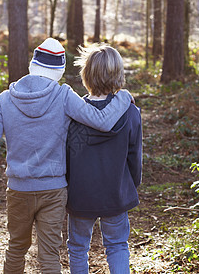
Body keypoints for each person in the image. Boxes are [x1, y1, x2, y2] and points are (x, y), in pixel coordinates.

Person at [0, 38, 133, 274]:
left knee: (16, 248)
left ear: (33, 65)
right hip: (54, 191)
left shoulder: (5, 99)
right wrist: (123, 97)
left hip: (18, 191)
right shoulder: (63, 95)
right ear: (59, 70)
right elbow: (102, 121)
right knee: (49, 256)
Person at [66, 44, 142, 273]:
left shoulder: (74, 112)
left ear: (86, 75)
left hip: (81, 194)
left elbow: (67, 154)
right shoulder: (130, 113)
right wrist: (131, 185)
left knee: (78, 247)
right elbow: (134, 156)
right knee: (117, 245)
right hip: (116, 193)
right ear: (118, 74)